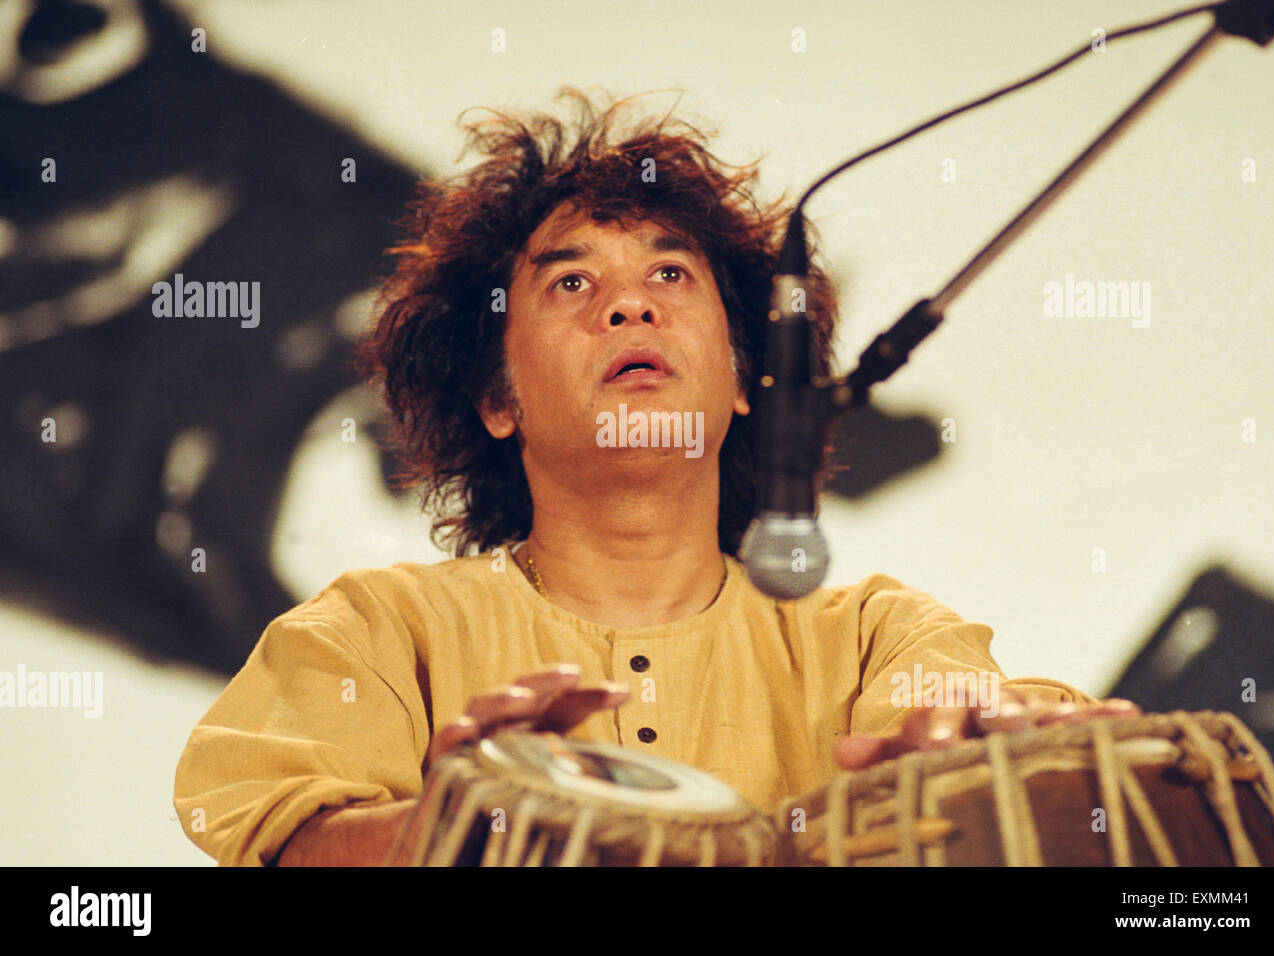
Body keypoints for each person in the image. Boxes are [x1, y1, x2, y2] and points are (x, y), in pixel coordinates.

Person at [173, 87, 1136, 867]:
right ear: (497, 399)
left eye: (671, 276)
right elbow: (286, 838)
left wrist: (1017, 757)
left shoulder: (877, 638)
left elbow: (980, 739)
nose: (630, 304)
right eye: (572, 283)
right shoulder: (377, 632)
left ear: (748, 379)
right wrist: (451, 825)